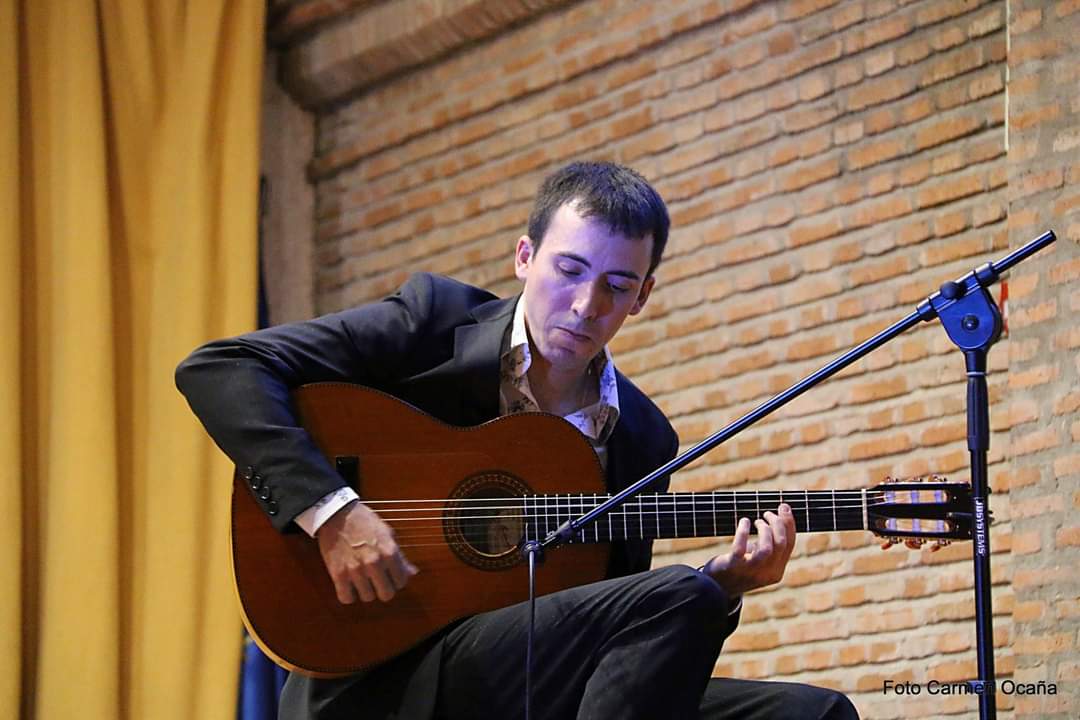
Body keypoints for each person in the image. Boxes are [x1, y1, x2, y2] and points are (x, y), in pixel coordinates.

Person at [176, 161, 858, 719]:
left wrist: (726, 584)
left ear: (643, 296)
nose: (588, 306)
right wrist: (332, 510)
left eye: (617, 287)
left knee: (814, 714)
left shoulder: (644, 434)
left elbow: (614, 618)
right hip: (387, 673)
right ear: (525, 256)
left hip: (528, 683)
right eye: (568, 271)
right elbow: (220, 368)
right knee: (681, 594)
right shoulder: (434, 322)